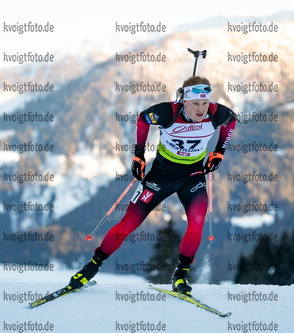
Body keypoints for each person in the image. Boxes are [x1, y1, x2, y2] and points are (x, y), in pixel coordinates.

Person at [68, 75, 236, 294]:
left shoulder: (215, 113)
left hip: (193, 175)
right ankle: (90, 268)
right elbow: (142, 119)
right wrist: (139, 155)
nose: (201, 109)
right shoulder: (169, 112)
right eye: (196, 103)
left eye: (205, 103)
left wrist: (219, 152)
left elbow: (231, 120)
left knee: (196, 223)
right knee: (128, 224)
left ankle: (180, 276)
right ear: (184, 100)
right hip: (161, 176)